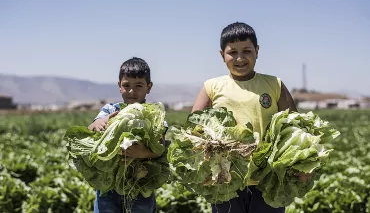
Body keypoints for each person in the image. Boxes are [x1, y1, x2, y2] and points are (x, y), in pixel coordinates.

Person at [192, 22, 312, 213]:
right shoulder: (212, 87)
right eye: (232, 52)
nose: (240, 58)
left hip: (269, 179)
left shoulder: (274, 84)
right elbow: (194, 127)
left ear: (257, 51)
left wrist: (302, 164)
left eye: (247, 50)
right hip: (225, 179)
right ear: (222, 55)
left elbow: (295, 127)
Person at [88, 57, 167, 213]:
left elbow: (160, 147)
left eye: (138, 85)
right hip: (108, 184)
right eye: (126, 85)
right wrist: (99, 123)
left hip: (139, 182)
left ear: (149, 87)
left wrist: (143, 153)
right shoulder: (110, 109)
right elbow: (90, 129)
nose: (132, 91)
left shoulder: (155, 115)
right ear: (119, 86)